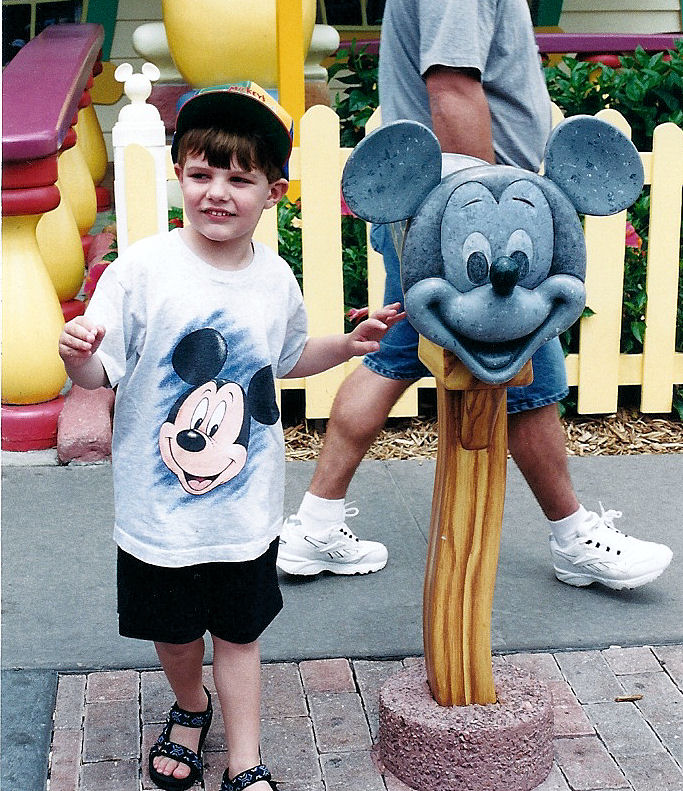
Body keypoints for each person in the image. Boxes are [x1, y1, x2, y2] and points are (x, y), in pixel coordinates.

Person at [58, 82, 404, 791]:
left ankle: (244, 757)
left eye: (239, 178)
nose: (217, 191)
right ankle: (190, 706)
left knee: (239, 634)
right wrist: (77, 355)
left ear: (272, 191)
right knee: (178, 634)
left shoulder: (273, 278)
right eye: (201, 172)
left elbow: (283, 360)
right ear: (179, 172)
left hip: (243, 511)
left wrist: (345, 345)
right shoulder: (143, 271)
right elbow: (101, 371)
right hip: (158, 513)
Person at [277, 0, 673, 590]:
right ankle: (573, 537)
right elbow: (452, 89)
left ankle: (314, 524)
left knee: (396, 357)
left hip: (450, 217)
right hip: (476, 230)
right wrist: (488, 215)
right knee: (529, 379)